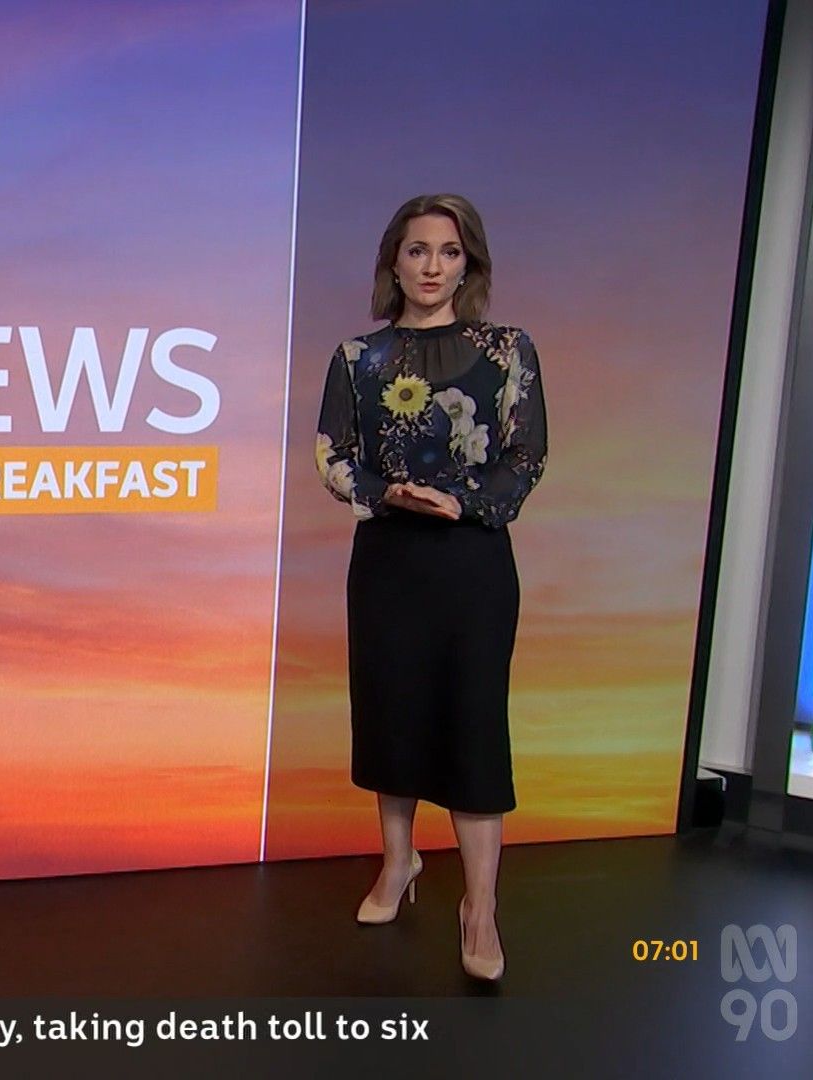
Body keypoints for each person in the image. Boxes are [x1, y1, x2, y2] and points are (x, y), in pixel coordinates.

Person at [312, 193, 546, 982]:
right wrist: (390, 495)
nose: (432, 267)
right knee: (394, 717)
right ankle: (398, 863)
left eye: (448, 252)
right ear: (395, 260)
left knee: (473, 725)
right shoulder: (359, 357)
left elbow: (526, 456)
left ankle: (479, 908)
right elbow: (334, 455)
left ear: (468, 263)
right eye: (417, 251)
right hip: (389, 562)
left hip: (472, 563)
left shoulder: (507, 350)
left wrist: (462, 503)